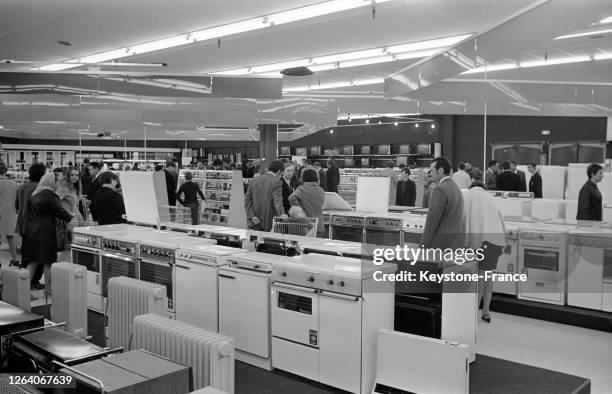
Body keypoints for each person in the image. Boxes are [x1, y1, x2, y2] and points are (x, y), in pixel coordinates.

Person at [461, 178, 505, 323]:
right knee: (488, 276)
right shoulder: (490, 197)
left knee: (479, 277)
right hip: (494, 241)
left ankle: (473, 312)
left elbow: (463, 217)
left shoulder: (468, 195)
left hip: (479, 241)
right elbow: (501, 220)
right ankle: (486, 311)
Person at [22, 173, 72, 296]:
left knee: (33, 262)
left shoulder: (35, 193)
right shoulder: (50, 195)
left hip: (32, 232)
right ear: (50, 181)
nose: (57, 183)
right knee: (48, 261)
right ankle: (49, 290)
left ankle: (23, 292)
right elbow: (61, 212)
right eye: (56, 181)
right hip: (45, 233)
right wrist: (71, 217)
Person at [420, 157, 465, 249]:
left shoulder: (439, 189)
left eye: (432, 171)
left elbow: (432, 221)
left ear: (440, 170)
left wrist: (423, 245)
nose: (430, 174)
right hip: (455, 243)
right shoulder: (456, 188)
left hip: (440, 244)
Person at [15, 163, 47, 290]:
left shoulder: (22, 187)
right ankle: (32, 282)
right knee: (37, 255)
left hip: (23, 224)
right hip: (37, 225)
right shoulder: (40, 188)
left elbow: (16, 206)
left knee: (26, 254)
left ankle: (26, 281)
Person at [245, 160, 285, 231]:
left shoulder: (254, 180)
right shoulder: (277, 182)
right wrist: (282, 214)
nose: (281, 176)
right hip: (269, 220)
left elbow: (247, 200)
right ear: (279, 171)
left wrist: (252, 216)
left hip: (255, 220)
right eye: (282, 174)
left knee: (255, 240)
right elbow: (278, 201)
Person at [56, 167, 84, 259]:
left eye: (77, 175)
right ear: (67, 175)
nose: (74, 177)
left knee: (72, 248)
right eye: (72, 175)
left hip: (73, 221)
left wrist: (81, 218)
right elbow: (55, 202)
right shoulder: (64, 187)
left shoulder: (75, 188)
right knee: (64, 250)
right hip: (65, 222)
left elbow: (74, 207)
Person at [288, 168, 326, 237]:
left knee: (304, 245)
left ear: (304, 178)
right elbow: (322, 205)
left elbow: (291, 198)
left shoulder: (302, 189)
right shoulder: (321, 190)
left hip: (306, 225)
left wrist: (299, 209)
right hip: (319, 225)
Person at [0, 162, 19, 266]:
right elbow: (17, 202)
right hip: (9, 214)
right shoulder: (14, 184)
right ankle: (15, 259)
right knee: (10, 237)